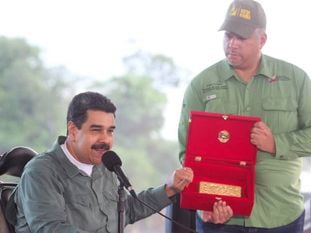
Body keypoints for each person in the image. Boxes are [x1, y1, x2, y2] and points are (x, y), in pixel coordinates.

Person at [178, 0, 311, 232]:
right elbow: (186, 152)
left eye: (241, 38)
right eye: (228, 36)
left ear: (262, 40)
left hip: (280, 215)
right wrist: (204, 199)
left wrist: (275, 143)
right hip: (219, 216)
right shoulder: (201, 85)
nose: (232, 44)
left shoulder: (295, 80)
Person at [13, 91, 195, 233]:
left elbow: (126, 211)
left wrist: (170, 189)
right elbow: (50, 229)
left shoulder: (104, 164)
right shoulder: (41, 171)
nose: (105, 140)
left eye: (110, 131)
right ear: (73, 130)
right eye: (96, 130)